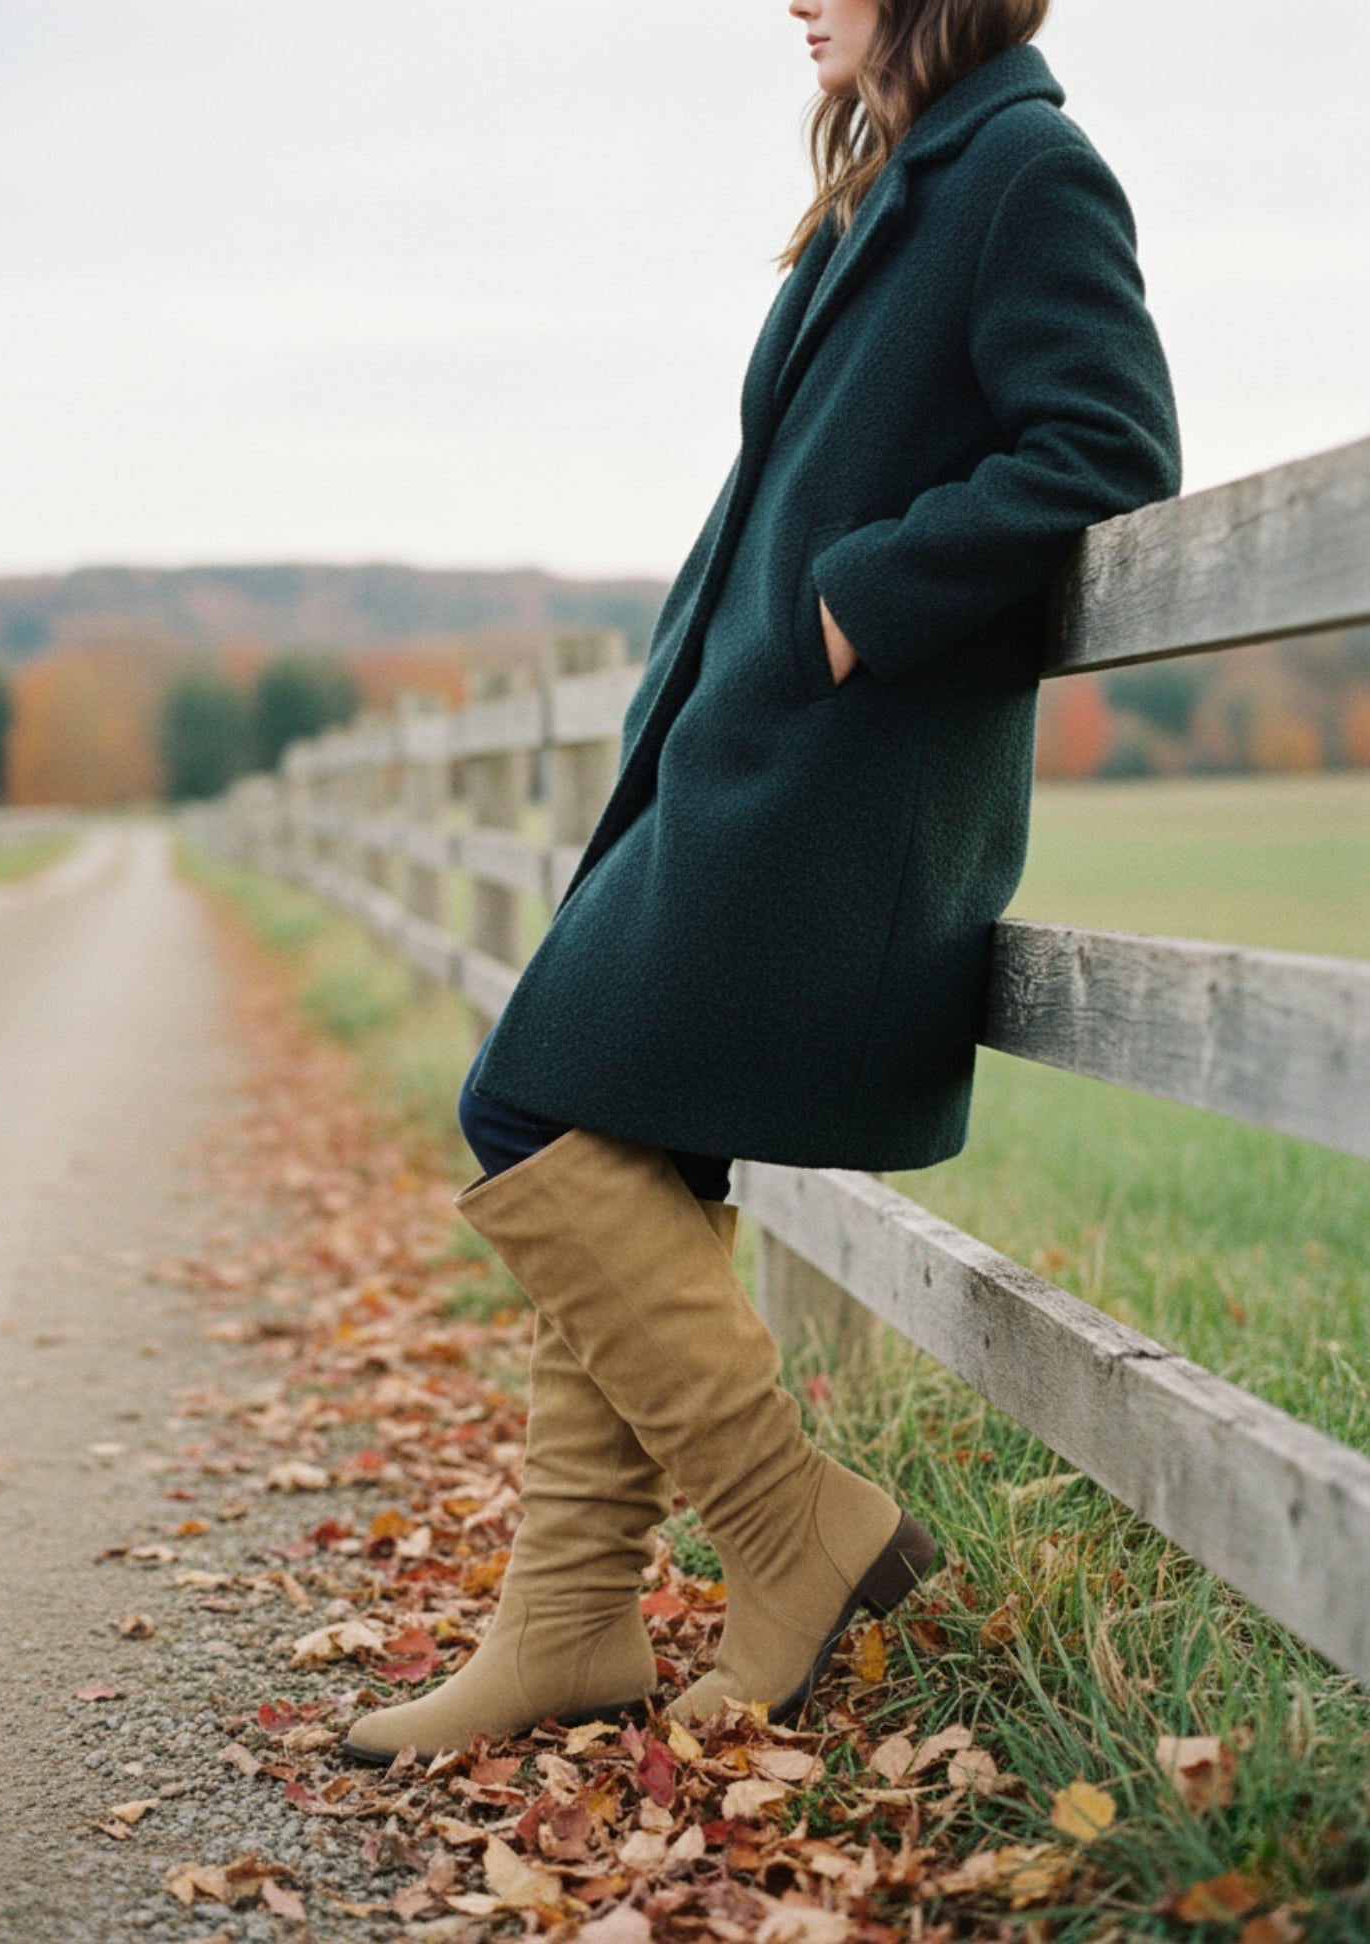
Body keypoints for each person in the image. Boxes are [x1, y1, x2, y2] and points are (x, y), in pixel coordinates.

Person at [343, 0, 1181, 1765]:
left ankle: (789, 1523)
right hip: (754, 780)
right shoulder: (896, 177)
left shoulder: (1024, 166)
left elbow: (1107, 445)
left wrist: (849, 605)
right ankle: (567, 1624)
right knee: (614, 1127)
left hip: (836, 812)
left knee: (526, 1099)